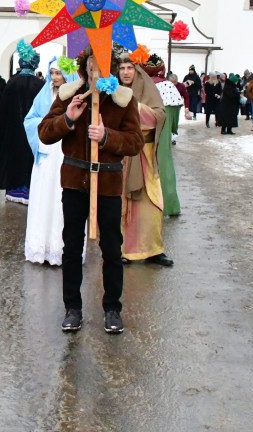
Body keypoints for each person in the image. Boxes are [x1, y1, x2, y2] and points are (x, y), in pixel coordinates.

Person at [38, 45, 144, 334]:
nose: (95, 71)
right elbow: (44, 133)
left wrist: (107, 136)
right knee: (71, 247)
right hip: (74, 182)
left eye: (102, 66)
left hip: (108, 184)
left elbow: (135, 142)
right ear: (84, 67)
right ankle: (72, 308)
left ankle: (112, 308)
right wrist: (68, 119)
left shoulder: (122, 99)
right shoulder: (70, 95)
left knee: (111, 248)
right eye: (91, 66)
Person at [119, 53, 174, 266]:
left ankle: (153, 250)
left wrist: (136, 107)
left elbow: (159, 115)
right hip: (122, 156)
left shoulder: (149, 89)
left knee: (152, 203)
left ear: (137, 70)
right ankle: (124, 249)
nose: (125, 72)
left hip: (146, 155)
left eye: (130, 68)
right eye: (122, 68)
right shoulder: (112, 91)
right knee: (124, 205)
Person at [23, 59, 79, 265]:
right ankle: (40, 245)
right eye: (52, 73)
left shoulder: (75, 95)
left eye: (59, 73)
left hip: (65, 152)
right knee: (44, 195)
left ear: (68, 75)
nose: (55, 77)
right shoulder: (44, 94)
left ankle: (59, 247)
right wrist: (46, 124)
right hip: (46, 151)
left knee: (61, 198)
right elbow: (30, 119)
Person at [0, 43, 45, 203]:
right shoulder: (40, 84)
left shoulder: (12, 82)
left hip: (13, 129)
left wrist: (0, 127)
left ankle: (15, 191)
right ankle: (29, 190)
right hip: (33, 130)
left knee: (14, 158)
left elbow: (3, 109)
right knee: (30, 158)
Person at [156, 70, 184, 216]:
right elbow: (174, 115)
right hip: (162, 135)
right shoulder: (168, 87)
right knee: (164, 167)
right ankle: (169, 205)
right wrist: (172, 130)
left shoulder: (141, 84)